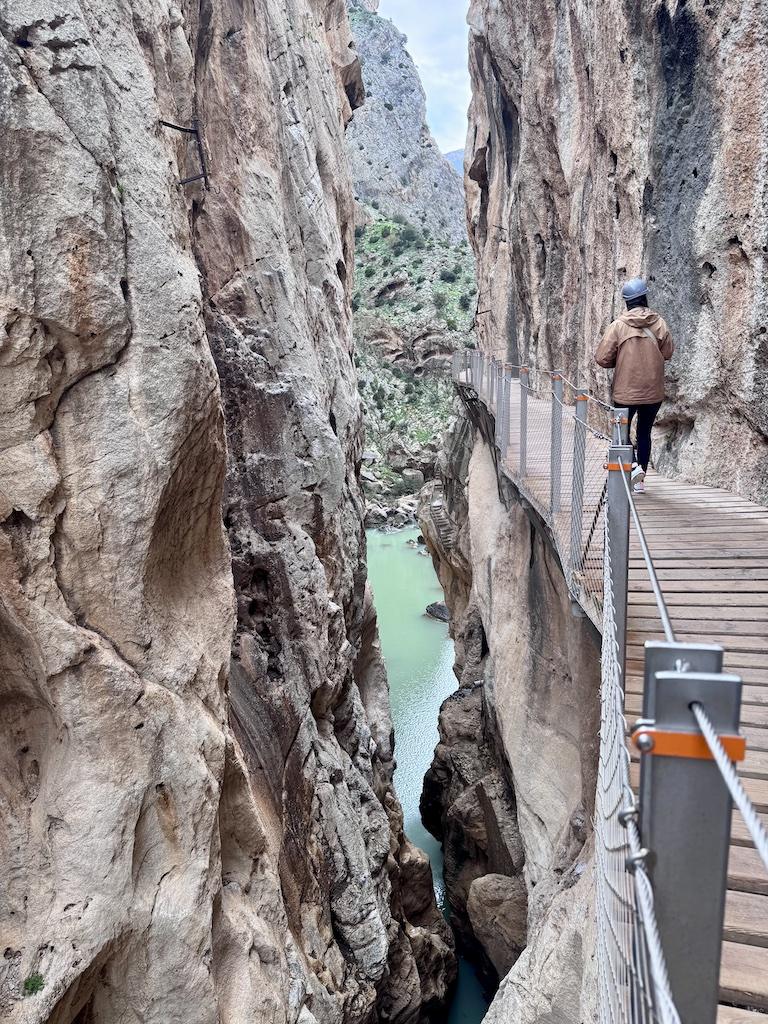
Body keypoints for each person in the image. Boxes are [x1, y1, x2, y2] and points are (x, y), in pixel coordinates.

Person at [595, 277, 674, 493]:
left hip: (625, 391)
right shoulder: (659, 323)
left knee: (621, 433)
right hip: (653, 392)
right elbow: (668, 352)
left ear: (627, 302)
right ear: (645, 297)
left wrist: (620, 360)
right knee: (644, 432)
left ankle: (632, 468)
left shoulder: (618, 326)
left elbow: (602, 358)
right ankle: (640, 481)